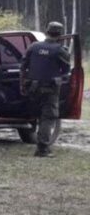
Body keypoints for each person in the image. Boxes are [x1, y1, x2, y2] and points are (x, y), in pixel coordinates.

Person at [20, 21, 71, 157]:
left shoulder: (34, 47)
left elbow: (23, 65)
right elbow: (66, 71)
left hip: (33, 88)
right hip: (50, 90)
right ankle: (42, 149)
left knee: (37, 116)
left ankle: (38, 140)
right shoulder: (60, 50)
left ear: (47, 31)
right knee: (47, 118)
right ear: (60, 35)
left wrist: (23, 84)